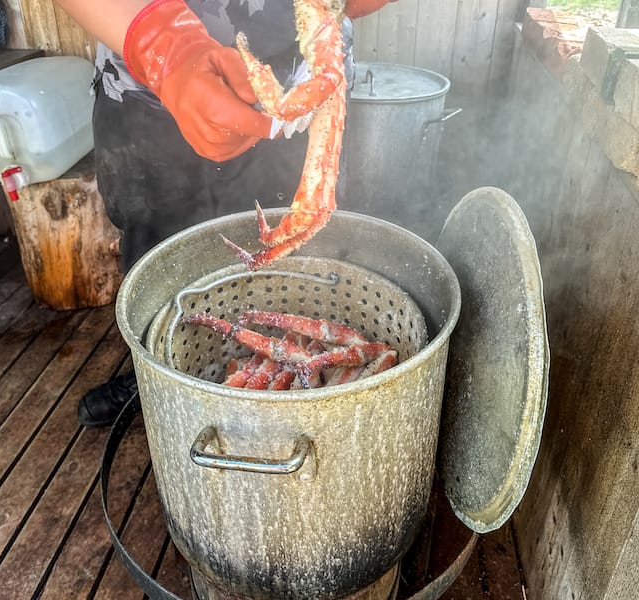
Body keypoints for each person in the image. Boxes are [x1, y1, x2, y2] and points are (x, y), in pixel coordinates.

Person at [53, 0, 396, 427]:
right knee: (155, 253)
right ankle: (157, 375)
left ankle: (300, 394)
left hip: (299, 84)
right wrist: (164, 45)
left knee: (299, 256)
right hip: (140, 77)